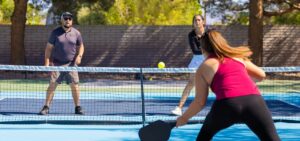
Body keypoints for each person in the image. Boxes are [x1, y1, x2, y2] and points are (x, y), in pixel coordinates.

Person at [176, 30, 280, 141]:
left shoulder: (203, 67)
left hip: (226, 105)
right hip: (254, 102)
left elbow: (199, 102)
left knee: (204, 137)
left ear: (203, 49)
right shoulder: (238, 57)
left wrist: (184, 118)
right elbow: (261, 75)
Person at [39, 12, 85, 115]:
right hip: (57, 65)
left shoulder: (76, 33)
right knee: (52, 85)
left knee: (75, 86)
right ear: (62, 20)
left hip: (71, 65)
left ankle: (78, 107)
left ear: (72, 20)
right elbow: (48, 48)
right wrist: (46, 62)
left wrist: (79, 56)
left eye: (70, 18)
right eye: (65, 18)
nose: (68, 20)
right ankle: (46, 107)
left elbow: (81, 46)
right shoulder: (55, 33)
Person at [171, 14, 206, 116]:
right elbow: (195, 50)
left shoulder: (208, 34)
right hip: (197, 60)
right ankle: (179, 108)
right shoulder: (191, 35)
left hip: (209, 59)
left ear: (203, 22)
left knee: (215, 83)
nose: (197, 22)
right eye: (195, 20)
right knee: (191, 83)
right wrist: (206, 49)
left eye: (199, 20)